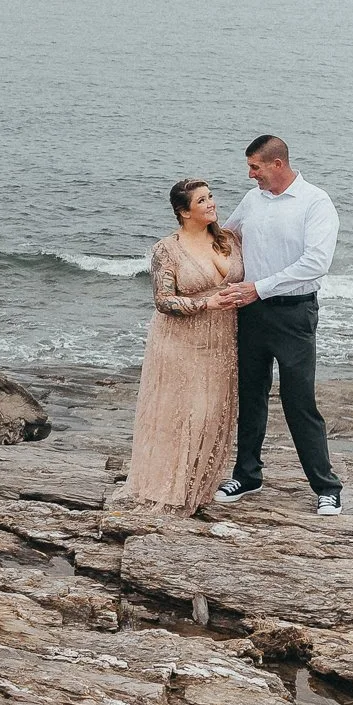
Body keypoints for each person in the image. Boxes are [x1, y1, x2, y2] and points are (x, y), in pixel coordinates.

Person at [212, 134, 348, 515]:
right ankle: (247, 475)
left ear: (277, 164)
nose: (250, 174)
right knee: (250, 396)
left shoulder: (315, 202)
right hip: (251, 313)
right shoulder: (253, 200)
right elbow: (229, 235)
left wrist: (259, 287)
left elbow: (316, 263)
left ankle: (326, 487)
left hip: (293, 314)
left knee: (299, 402)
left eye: (255, 167)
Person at [114, 179, 245, 514]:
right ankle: (168, 488)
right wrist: (205, 305)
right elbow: (162, 300)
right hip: (180, 340)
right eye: (203, 200)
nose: (212, 204)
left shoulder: (229, 240)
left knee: (213, 411)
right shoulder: (166, 249)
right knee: (181, 412)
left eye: (212, 197)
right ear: (184, 212)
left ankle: (198, 487)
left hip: (222, 339)